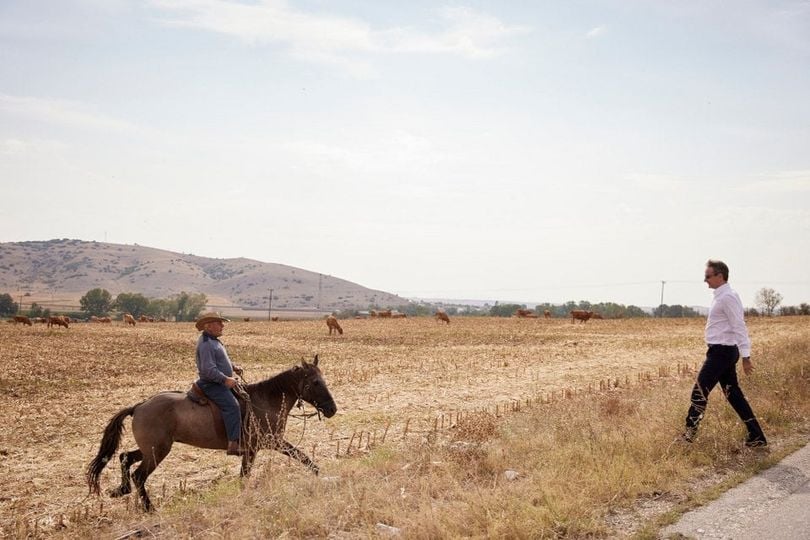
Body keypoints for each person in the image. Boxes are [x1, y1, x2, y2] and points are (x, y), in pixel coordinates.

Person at [683, 260, 767, 447]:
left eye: (708, 276)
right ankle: (757, 436)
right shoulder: (721, 295)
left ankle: (688, 436)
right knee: (733, 394)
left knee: (699, 391)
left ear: (720, 276)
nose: (705, 280)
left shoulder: (727, 297)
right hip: (721, 351)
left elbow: (739, 326)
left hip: (722, 352)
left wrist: (746, 357)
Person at [194, 312, 245, 455]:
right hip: (211, 384)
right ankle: (233, 444)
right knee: (232, 406)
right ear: (208, 326)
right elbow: (208, 370)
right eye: (219, 323)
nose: (222, 325)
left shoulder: (214, 341)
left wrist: (233, 367)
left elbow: (220, 360)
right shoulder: (206, 344)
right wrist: (226, 379)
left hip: (218, 382)